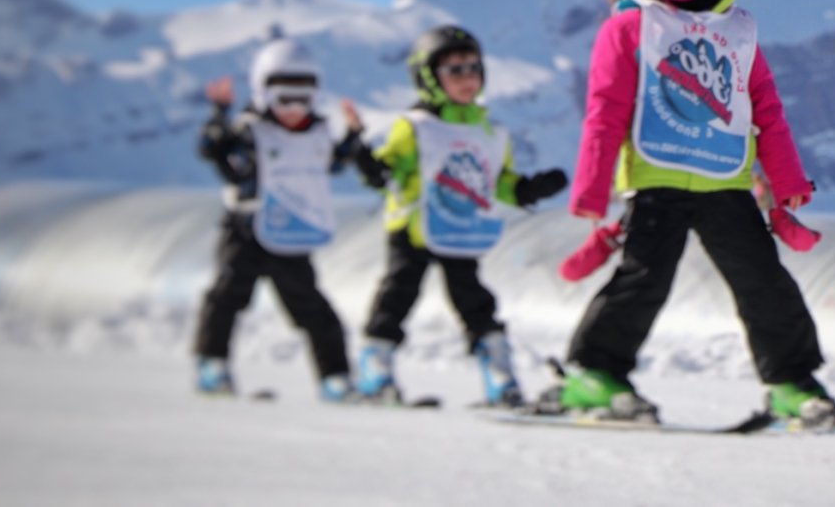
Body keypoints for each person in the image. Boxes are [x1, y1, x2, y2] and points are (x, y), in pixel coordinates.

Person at [549, 0, 835, 426]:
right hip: (655, 180)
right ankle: (593, 373)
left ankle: (791, 383)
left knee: (765, 283)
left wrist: (786, 179)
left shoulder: (738, 29)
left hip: (725, 183)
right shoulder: (629, 26)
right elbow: (605, 110)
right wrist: (590, 188)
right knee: (643, 279)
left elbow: (765, 110)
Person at [349, 26, 567, 406]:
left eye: (473, 68)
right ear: (428, 79)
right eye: (454, 71)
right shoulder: (414, 127)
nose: (467, 78)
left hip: (461, 226)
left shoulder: (489, 130)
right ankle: (375, 368)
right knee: (398, 293)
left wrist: (526, 189)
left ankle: (501, 377)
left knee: (475, 300)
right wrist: (368, 163)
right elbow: (390, 171)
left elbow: (494, 179)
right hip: (414, 227)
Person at [193, 38, 362, 401]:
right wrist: (219, 116)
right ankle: (212, 366)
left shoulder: (317, 132)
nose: (294, 109)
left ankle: (336, 379)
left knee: (313, 307)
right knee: (226, 297)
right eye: (284, 99)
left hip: (290, 228)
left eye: (303, 98)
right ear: (262, 91)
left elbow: (329, 164)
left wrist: (353, 137)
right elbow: (214, 151)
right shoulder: (249, 130)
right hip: (245, 227)